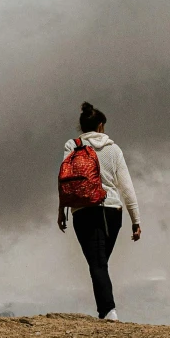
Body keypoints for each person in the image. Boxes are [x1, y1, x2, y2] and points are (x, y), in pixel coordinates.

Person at [57, 101, 141, 321]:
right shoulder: (114, 149)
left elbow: (65, 180)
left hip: (84, 211)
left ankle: (108, 310)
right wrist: (136, 219)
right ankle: (106, 309)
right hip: (113, 211)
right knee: (100, 262)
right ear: (101, 125)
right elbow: (127, 186)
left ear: (83, 126)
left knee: (97, 263)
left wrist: (62, 210)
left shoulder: (72, 145)